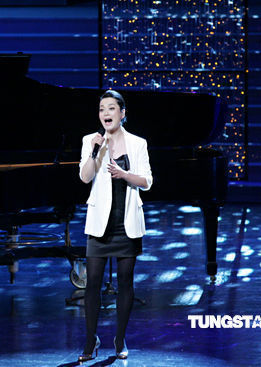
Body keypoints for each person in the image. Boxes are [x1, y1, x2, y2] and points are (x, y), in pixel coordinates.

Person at [78, 90, 152, 362]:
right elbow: (85, 178)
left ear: (122, 113)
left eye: (111, 108)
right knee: (92, 284)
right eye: (101, 109)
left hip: (127, 224)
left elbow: (147, 181)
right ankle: (90, 340)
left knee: (125, 283)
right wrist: (96, 153)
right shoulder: (90, 141)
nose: (105, 113)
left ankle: (119, 338)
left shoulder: (138, 143)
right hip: (99, 225)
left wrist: (124, 175)